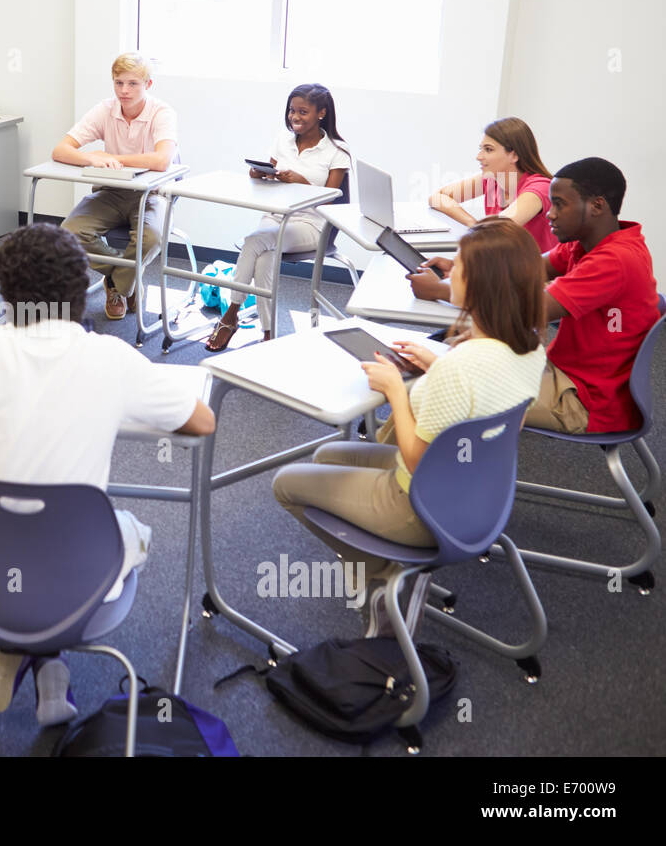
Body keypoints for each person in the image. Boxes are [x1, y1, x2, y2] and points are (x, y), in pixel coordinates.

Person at [0, 224, 216, 725]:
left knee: (29, 549)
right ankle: (48, 665)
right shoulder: (109, 357)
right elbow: (201, 421)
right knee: (124, 532)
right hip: (75, 582)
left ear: (8, 292)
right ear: (82, 288)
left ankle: (21, 662)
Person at [273, 218, 549, 636]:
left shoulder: (462, 364)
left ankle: (382, 583)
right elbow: (498, 407)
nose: (448, 271)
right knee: (327, 455)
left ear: (481, 286)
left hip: (422, 507)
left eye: (459, 267)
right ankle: (390, 573)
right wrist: (435, 364)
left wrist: (395, 393)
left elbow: (416, 459)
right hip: (480, 495)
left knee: (286, 483)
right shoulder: (529, 350)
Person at [411, 158, 658, 435]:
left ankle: (428, 472)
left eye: (559, 204)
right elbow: (522, 271)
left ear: (597, 206)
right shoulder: (588, 243)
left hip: (584, 399)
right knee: (446, 357)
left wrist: (443, 290)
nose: (550, 214)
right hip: (568, 373)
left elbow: (524, 310)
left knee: (444, 383)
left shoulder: (614, 260)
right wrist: (462, 269)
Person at [205, 83, 350, 352]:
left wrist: (300, 181)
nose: (294, 117)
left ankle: (230, 316)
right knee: (263, 259)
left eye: (302, 112)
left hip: (311, 223)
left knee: (253, 243)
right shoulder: (282, 139)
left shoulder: (337, 150)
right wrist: (260, 174)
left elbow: (332, 197)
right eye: (291, 111)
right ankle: (269, 335)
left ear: (321, 113)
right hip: (275, 216)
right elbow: (269, 173)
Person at [55, 52, 178, 320]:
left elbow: (161, 160)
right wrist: (90, 157)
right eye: (119, 82)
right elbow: (61, 150)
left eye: (133, 83)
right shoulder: (105, 109)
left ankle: (119, 286)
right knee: (68, 235)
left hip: (151, 193)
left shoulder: (162, 112)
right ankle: (125, 278)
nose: (124, 90)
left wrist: (111, 158)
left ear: (148, 84)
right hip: (111, 192)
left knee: (152, 238)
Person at [427, 116, 557, 253]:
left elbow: (499, 229)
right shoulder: (493, 180)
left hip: (533, 272)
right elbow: (437, 198)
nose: (479, 156)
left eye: (488, 150)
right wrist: (473, 223)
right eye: (481, 149)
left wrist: (478, 228)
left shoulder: (540, 187)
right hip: (504, 265)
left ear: (514, 155)